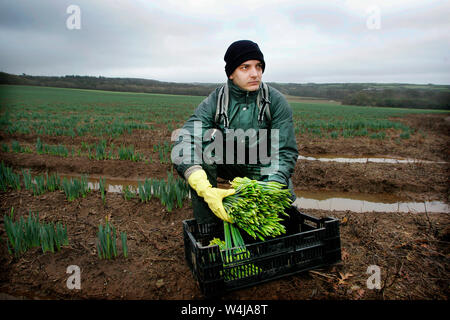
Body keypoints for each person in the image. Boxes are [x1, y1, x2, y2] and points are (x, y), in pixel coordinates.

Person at [172, 40, 298, 226]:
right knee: (205, 148)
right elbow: (185, 141)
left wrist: (271, 186)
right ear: (231, 73)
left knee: (286, 219)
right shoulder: (215, 101)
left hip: (265, 165)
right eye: (245, 67)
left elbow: (285, 151)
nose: (255, 74)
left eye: (259, 66)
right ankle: (209, 226)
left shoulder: (276, 101)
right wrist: (204, 187)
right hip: (231, 161)